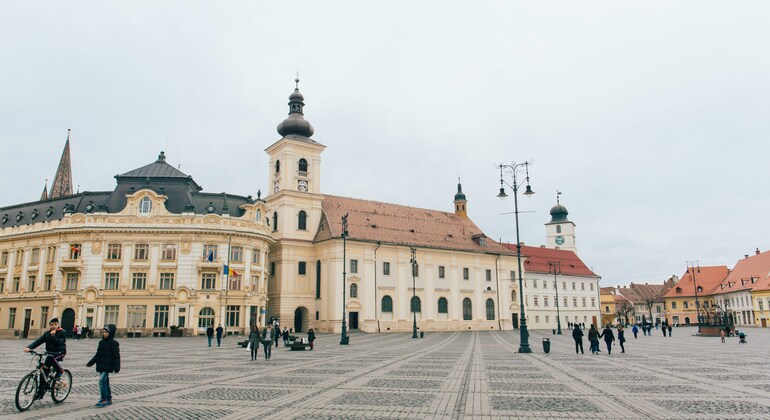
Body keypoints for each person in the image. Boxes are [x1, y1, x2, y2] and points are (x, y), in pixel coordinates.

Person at [86, 324, 120, 408]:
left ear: (110, 333)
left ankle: (103, 399)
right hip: (101, 365)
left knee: (101, 380)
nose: (104, 333)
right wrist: (91, 362)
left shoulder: (114, 343)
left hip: (108, 365)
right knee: (105, 381)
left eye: (106, 332)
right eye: (103, 332)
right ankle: (108, 398)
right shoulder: (101, 342)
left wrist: (117, 367)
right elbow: (97, 355)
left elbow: (116, 356)